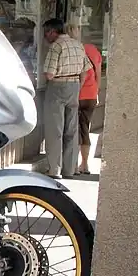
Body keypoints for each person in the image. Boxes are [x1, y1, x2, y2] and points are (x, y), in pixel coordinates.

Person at [43, 18, 92, 179]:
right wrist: (77, 86)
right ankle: (69, 169)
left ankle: (54, 170)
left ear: (52, 31)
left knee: (55, 130)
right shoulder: (78, 44)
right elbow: (85, 70)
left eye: (46, 32)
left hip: (57, 87)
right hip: (75, 85)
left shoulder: (56, 46)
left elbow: (49, 74)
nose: (45, 36)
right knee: (71, 130)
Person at [65, 23, 102, 175]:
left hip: (77, 94)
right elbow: (98, 74)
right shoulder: (93, 50)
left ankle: (73, 164)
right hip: (91, 95)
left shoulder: (73, 49)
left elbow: (80, 74)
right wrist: (96, 92)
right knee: (85, 129)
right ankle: (85, 164)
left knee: (72, 130)